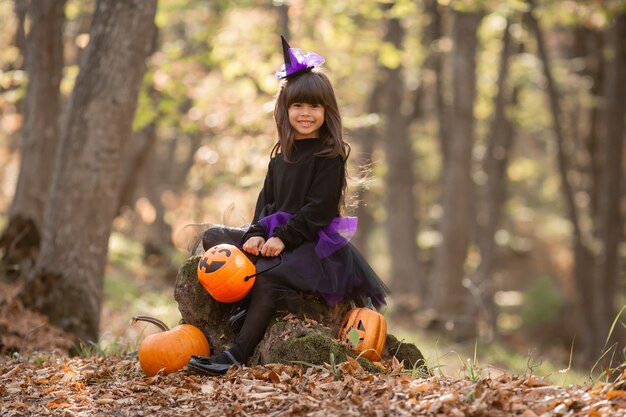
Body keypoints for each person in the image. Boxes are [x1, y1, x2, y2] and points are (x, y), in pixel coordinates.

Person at [187, 37, 389, 376]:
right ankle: (245, 296)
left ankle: (237, 353)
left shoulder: (329, 156)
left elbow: (318, 211)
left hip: (312, 245)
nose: (305, 113)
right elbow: (265, 204)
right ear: (286, 109)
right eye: (298, 106)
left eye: (314, 107)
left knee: (263, 275)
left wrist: (282, 238)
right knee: (213, 237)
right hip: (275, 239)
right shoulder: (279, 157)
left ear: (327, 112)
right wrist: (254, 233)